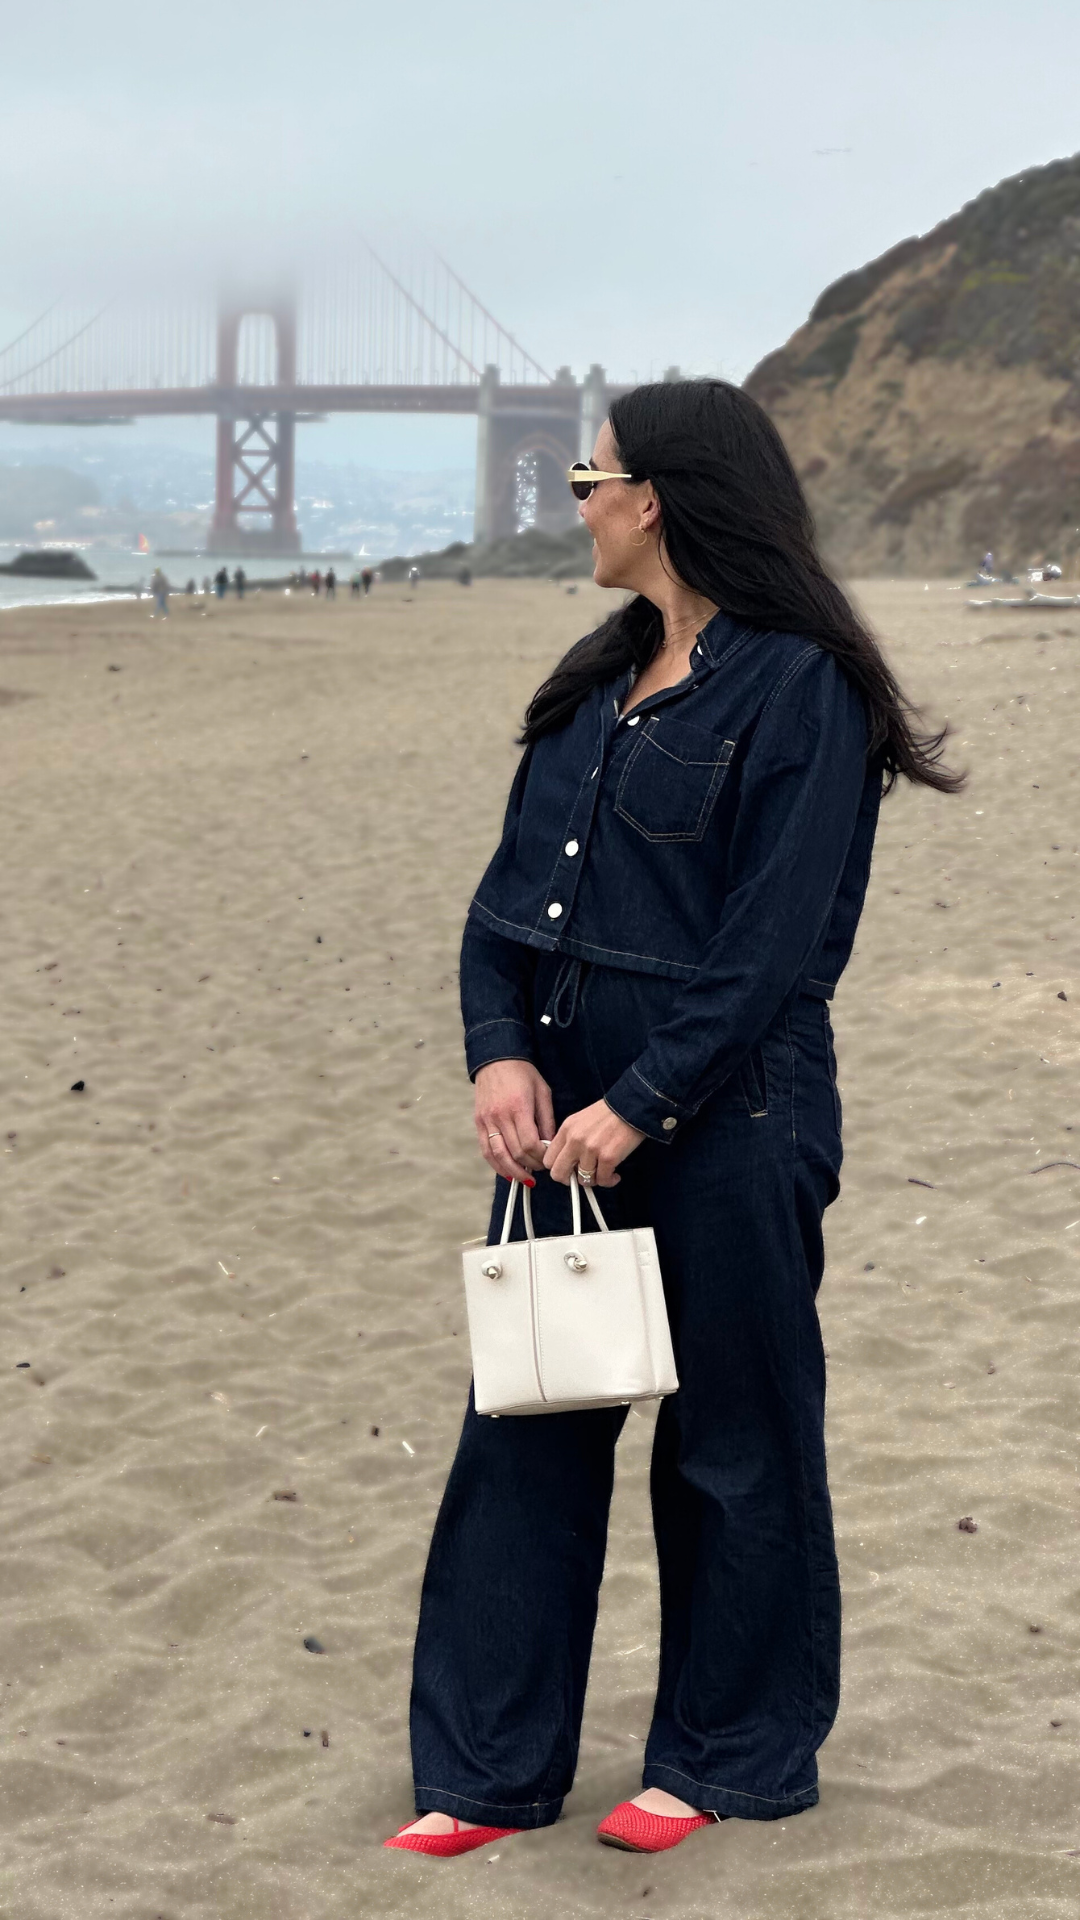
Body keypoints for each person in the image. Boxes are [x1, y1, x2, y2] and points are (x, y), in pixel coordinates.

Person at [386, 379, 964, 1862]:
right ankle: (489, 1771)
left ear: (660, 498)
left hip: (733, 1113)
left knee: (735, 1446)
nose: (574, 497)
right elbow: (504, 912)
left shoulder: (802, 688)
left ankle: (724, 1756)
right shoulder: (593, 682)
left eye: (595, 474)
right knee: (523, 1437)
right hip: (556, 1122)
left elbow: (771, 951)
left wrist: (640, 1106)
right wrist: (498, 1055)